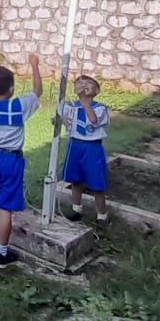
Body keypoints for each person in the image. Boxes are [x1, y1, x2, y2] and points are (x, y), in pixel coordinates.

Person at [0, 54, 42, 269]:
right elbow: (37, 92)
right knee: (5, 208)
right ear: (11, 89)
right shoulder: (18, 107)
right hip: (11, 159)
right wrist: (34, 66)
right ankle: (1, 253)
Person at [58, 76, 111, 224]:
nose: (83, 85)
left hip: (92, 147)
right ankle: (76, 209)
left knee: (96, 181)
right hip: (75, 145)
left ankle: (102, 215)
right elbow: (57, 119)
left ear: (97, 91)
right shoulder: (70, 107)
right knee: (76, 179)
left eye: (88, 83)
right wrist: (60, 119)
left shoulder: (101, 108)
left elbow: (94, 120)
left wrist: (85, 103)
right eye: (79, 83)